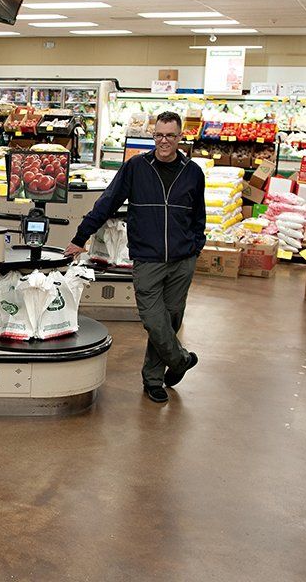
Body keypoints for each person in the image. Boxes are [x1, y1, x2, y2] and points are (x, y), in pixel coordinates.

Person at [65, 111, 206, 403]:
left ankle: (153, 379)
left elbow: (198, 216)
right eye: (158, 135)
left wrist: (196, 246)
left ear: (180, 137)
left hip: (182, 260)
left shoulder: (193, 172)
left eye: (170, 135)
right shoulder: (136, 167)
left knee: (171, 319)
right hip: (148, 259)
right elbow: (107, 202)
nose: (163, 141)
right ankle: (180, 360)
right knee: (154, 320)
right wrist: (81, 236)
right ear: (152, 136)